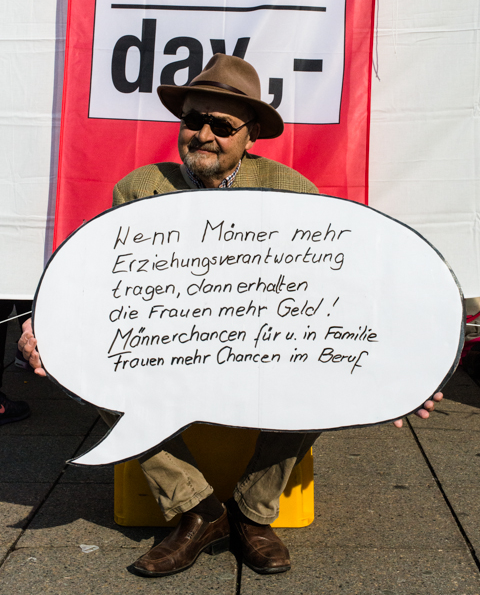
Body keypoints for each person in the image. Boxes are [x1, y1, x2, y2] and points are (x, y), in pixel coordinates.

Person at [18, 53, 443, 577]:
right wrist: (47, 321)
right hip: (167, 352)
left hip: (263, 354)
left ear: (251, 136)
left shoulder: (293, 194)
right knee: (77, 364)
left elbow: (347, 292)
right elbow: (98, 283)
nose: (203, 135)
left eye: (222, 125)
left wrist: (407, 368)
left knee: (327, 375)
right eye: (193, 120)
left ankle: (252, 513)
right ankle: (196, 509)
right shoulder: (139, 190)